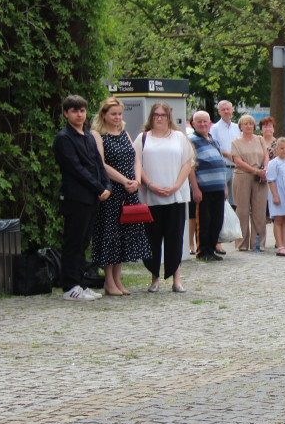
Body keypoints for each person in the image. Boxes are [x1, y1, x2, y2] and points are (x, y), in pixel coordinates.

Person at [90, 96, 152, 294]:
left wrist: (135, 180)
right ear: (104, 115)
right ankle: (108, 281)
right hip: (112, 191)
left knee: (124, 236)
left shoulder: (124, 133)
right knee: (110, 235)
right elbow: (101, 164)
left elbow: (135, 159)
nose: (117, 118)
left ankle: (118, 279)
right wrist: (123, 181)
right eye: (113, 114)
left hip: (129, 191)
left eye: (119, 114)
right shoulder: (97, 135)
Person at [52, 94, 111, 301]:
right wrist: (98, 187)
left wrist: (106, 185)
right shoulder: (64, 138)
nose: (79, 114)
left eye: (82, 110)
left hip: (92, 198)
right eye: (75, 110)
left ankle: (81, 283)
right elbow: (76, 169)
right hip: (76, 197)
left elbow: (97, 164)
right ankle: (70, 286)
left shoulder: (87, 136)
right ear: (65, 113)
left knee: (84, 242)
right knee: (73, 242)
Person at [139, 101, 194, 293]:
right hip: (152, 196)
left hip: (176, 195)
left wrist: (176, 185)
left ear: (169, 117)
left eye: (163, 115)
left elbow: (187, 163)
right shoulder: (144, 138)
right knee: (152, 238)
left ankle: (176, 279)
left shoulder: (179, 137)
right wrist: (150, 184)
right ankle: (154, 278)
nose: (159, 118)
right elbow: (137, 165)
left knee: (175, 238)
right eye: (156, 115)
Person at [188, 110, 228, 261]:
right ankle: (202, 251)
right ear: (193, 124)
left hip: (218, 187)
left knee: (216, 221)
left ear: (210, 123)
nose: (203, 124)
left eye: (206, 121)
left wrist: (224, 186)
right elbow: (191, 166)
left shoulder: (213, 140)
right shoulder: (191, 140)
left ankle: (211, 249)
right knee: (204, 222)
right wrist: (195, 188)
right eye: (200, 122)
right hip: (203, 188)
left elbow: (221, 164)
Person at [230, 114, 269, 252]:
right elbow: (238, 161)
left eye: (251, 124)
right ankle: (242, 243)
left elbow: (266, 155)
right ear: (240, 126)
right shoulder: (236, 142)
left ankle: (258, 243)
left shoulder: (260, 139)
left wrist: (264, 170)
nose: (248, 126)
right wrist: (254, 171)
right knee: (242, 210)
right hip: (243, 176)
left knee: (259, 211)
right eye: (245, 124)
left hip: (260, 178)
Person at [209, 100, 240, 208]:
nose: (226, 111)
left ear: (232, 111)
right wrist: (227, 154)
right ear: (219, 112)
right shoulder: (214, 129)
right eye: (223, 109)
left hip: (237, 168)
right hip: (223, 168)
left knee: (235, 201)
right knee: (222, 199)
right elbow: (212, 147)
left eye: (228, 109)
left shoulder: (238, 128)